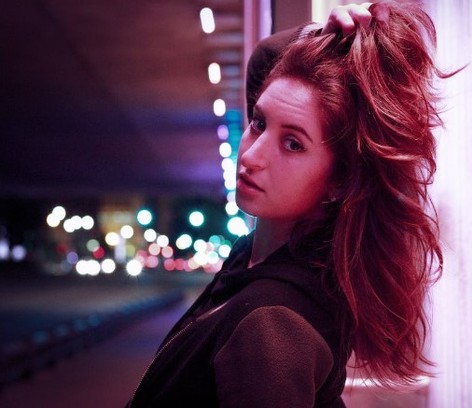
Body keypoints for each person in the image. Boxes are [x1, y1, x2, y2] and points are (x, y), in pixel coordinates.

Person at [128, 1, 448, 406]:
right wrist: (322, 38)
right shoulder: (270, 258)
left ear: (340, 181)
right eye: (258, 123)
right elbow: (266, 60)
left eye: (293, 144)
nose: (251, 156)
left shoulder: (272, 327)